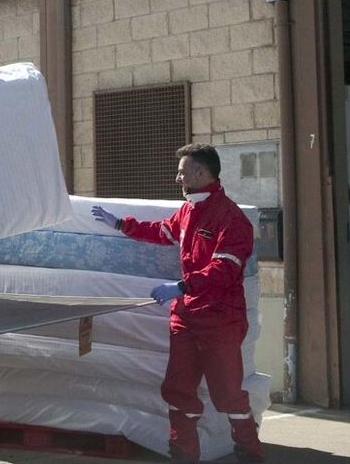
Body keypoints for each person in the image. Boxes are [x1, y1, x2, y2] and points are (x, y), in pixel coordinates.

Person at [90, 144, 264, 463]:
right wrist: (120, 224)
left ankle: (250, 450)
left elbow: (225, 269)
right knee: (178, 387)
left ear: (201, 172)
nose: (177, 177)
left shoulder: (232, 218)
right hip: (185, 317)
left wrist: (181, 285)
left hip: (220, 320)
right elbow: (162, 232)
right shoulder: (187, 211)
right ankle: (183, 452)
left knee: (226, 393)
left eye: (183, 171)